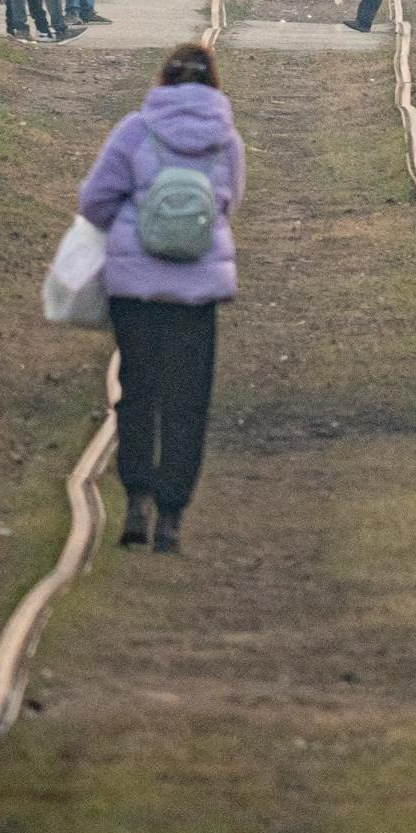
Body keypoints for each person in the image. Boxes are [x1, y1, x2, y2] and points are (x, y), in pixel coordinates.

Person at [78, 42, 246, 553]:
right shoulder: (226, 139)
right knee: (187, 402)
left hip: (136, 288)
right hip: (197, 291)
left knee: (138, 392)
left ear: (163, 80)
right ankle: (172, 514)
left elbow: (95, 200)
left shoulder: (136, 130)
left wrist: (127, 231)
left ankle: (136, 500)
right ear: (214, 82)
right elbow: (230, 203)